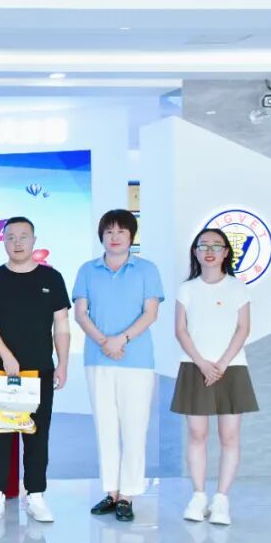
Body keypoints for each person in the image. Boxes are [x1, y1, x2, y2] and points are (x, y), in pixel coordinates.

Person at [0, 216, 71, 523]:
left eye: (23, 236)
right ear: (3, 241)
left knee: (37, 434)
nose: (17, 243)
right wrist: (6, 356)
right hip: (0, 371)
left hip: (39, 369)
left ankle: (36, 495)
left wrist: (63, 363)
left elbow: (62, 325)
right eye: (11, 237)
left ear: (34, 240)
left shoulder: (51, 278)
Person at [73, 209, 163, 522]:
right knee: (105, 427)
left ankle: (128, 495)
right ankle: (111, 491)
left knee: (135, 427)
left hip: (136, 360)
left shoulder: (146, 269)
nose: (114, 237)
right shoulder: (88, 270)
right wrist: (104, 342)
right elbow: (81, 313)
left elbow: (151, 313)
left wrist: (121, 339)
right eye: (109, 231)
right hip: (98, 358)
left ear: (131, 236)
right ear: (101, 236)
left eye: (121, 231)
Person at [171, 228, 258, 526]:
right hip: (194, 366)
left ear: (226, 253)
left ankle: (221, 499)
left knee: (229, 435)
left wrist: (220, 364)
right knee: (197, 433)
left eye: (216, 246)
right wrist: (202, 364)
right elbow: (180, 330)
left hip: (231, 367)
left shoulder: (238, 288)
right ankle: (198, 496)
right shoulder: (187, 289)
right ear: (195, 252)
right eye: (203, 245)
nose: (209, 251)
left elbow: (243, 329)